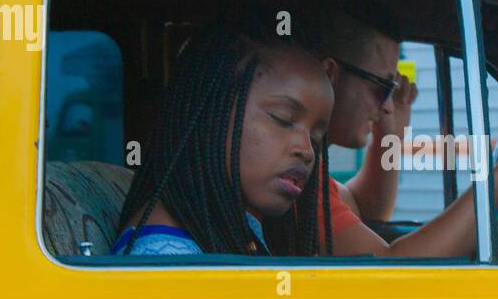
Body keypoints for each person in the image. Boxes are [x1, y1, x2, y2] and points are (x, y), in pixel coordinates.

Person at [305, 0, 498, 259]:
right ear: (330, 74)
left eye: (393, 88)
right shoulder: (296, 178)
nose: (388, 104)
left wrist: (388, 136)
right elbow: (388, 269)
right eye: (381, 87)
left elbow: (362, 209)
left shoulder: (312, 174)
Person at [113, 13, 335, 257]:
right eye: (283, 119)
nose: (306, 150)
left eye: (315, 137)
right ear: (210, 111)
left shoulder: (236, 227)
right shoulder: (164, 258)